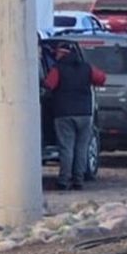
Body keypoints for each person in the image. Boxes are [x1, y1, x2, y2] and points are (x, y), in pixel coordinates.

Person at [43, 43, 107, 190]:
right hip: (85, 114)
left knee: (67, 148)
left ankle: (64, 180)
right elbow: (102, 78)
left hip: (64, 114)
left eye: (57, 53)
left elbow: (48, 86)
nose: (55, 56)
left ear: (62, 54)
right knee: (82, 148)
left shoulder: (57, 69)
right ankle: (78, 180)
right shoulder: (86, 67)